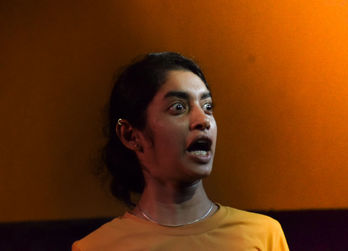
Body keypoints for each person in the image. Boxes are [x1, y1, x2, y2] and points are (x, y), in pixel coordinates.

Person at [72, 52, 289, 251]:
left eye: (207, 107)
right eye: (178, 107)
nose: (203, 120)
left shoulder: (263, 235)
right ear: (131, 135)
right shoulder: (97, 247)